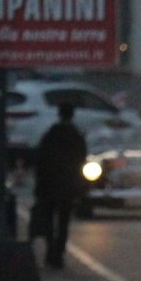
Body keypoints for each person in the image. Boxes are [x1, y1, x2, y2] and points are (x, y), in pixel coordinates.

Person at [31, 103, 88, 269]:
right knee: (63, 222)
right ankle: (59, 253)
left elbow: (40, 160)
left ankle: (50, 250)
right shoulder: (76, 136)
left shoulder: (50, 135)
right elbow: (81, 161)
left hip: (49, 185)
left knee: (48, 219)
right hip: (68, 186)